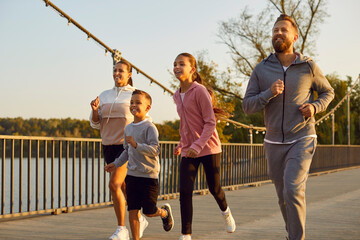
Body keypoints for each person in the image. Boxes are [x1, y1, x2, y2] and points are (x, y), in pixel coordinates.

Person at [242, 14, 334, 240]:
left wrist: (314, 107)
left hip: (302, 137)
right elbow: (247, 106)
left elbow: (328, 92)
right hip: (273, 142)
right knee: (283, 196)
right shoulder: (261, 69)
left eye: (283, 30)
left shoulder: (308, 66)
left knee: (292, 189)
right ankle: (292, 233)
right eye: (275, 30)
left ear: (295, 36)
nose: (278, 33)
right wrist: (268, 93)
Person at [173, 53, 236, 240]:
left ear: (192, 69)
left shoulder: (199, 91)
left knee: (214, 188)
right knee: (184, 191)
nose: (176, 67)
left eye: (181, 64)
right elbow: (185, 124)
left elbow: (210, 123)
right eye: (174, 64)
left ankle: (226, 213)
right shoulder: (176, 95)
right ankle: (186, 234)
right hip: (189, 149)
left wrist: (198, 145)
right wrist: (181, 144)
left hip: (209, 147)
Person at [90, 60, 148, 240]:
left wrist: (140, 143)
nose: (117, 73)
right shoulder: (104, 95)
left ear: (129, 74)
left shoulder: (135, 95)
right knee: (123, 187)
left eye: (121, 71)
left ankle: (121, 229)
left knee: (113, 184)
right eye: (114, 70)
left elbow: (146, 120)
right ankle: (140, 217)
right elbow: (94, 124)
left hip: (126, 147)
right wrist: (94, 110)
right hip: (108, 146)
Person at [105, 90, 174, 240]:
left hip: (149, 176)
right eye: (132, 102)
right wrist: (115, 164)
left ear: (148, 108)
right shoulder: (128, 128)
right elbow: (126, 151)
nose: (133, 105)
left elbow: (155, 150)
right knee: (133, 210)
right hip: (132, 175)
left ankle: (164, 212)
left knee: (149, 211)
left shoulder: (150, 127)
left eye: (138, 103)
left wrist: (137, 145)